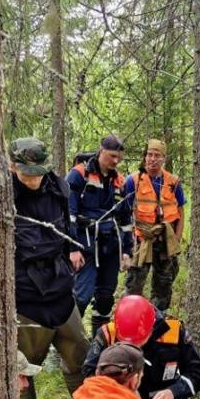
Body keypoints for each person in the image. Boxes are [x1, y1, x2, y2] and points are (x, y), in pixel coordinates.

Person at [9, 137, 89, 399]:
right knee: (21, 373)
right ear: (12, 166)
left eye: (38, 172)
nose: (33, 179)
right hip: (28, 303)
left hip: (62, 294)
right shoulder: (3, 196)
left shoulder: (58, 187)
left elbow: (67, 227)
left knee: (80, 356)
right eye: (27, 173)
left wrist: (71, 248)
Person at [82, 294, 200, 399]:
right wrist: (122, 391)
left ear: (151, 328)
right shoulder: (108, 333)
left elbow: (196, 373)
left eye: (138, 343)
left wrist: (173, 392)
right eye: (126, 344)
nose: (133, 348)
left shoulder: (173, 331)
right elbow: (89, 373)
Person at [66, 135, 134, 330]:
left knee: (105, 298)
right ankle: (69, 339)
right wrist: (72, 248)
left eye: (118, 158)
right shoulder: (79, 175)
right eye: (112, 156)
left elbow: (126, 220)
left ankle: (99, 341)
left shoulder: (120, 182)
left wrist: (127, 251)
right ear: (101, 151)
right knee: (82, 296)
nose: (115, 161)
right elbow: (68, 214)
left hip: (111, 247)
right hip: (85, 246)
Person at [123, 139, 185, 311]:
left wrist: (177, 238)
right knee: (134, 284)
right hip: (141, 240)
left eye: (157, 155)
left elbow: (180, 211)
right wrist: (128, 242)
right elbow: (124, 214)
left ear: (164, 158)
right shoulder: (132, 181)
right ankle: (130, 318)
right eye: (149, 154)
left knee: (164, 285)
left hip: (166, 240)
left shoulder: (173, 182)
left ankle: (157, 319)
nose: (152, 159)